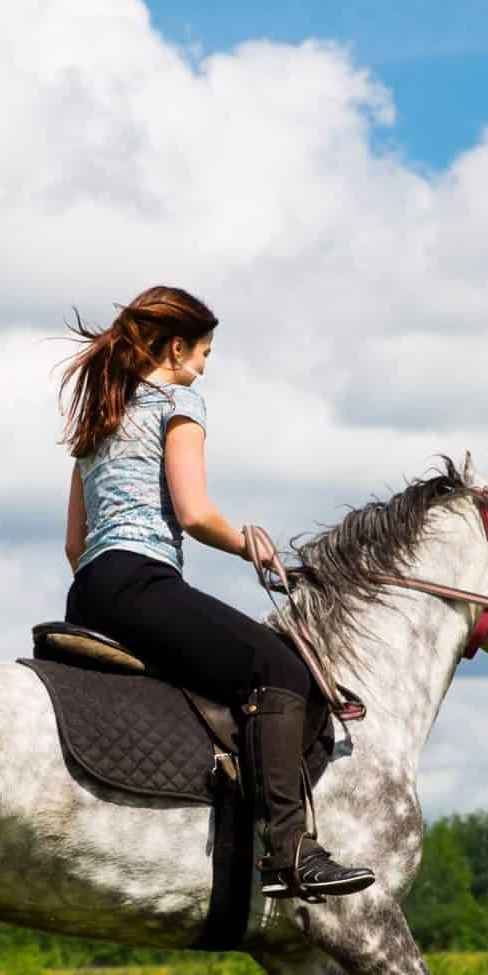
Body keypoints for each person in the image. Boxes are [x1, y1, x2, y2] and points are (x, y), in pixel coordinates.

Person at [58, 286, 375, 901]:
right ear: (176, 349)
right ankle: (290, 854)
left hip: (89, 591)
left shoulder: (98, 423)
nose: (204, 366)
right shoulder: (180, 402)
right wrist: (248, 545)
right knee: (279, 667)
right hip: (140, 581)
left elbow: (75, 544)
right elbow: (195, 513)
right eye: (204, 353)